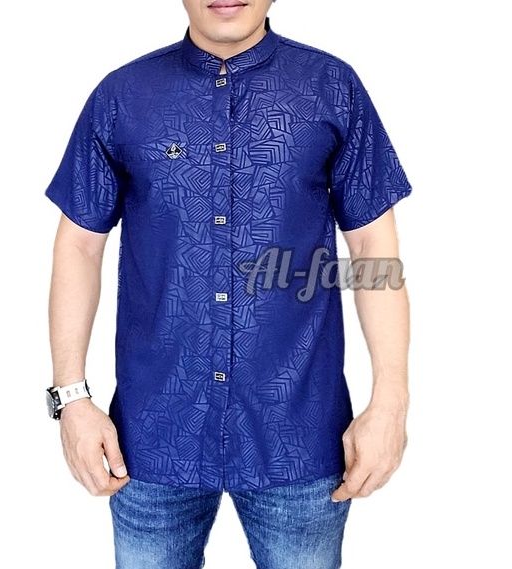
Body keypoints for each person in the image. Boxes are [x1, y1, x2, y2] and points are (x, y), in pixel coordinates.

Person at [43, 1, 412, 567]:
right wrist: (71, 399)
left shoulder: (331, 88)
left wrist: (390, 401)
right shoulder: (123, 96)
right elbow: (78, 246)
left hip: (299, 434)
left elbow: (372, 252)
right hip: (150, 437)